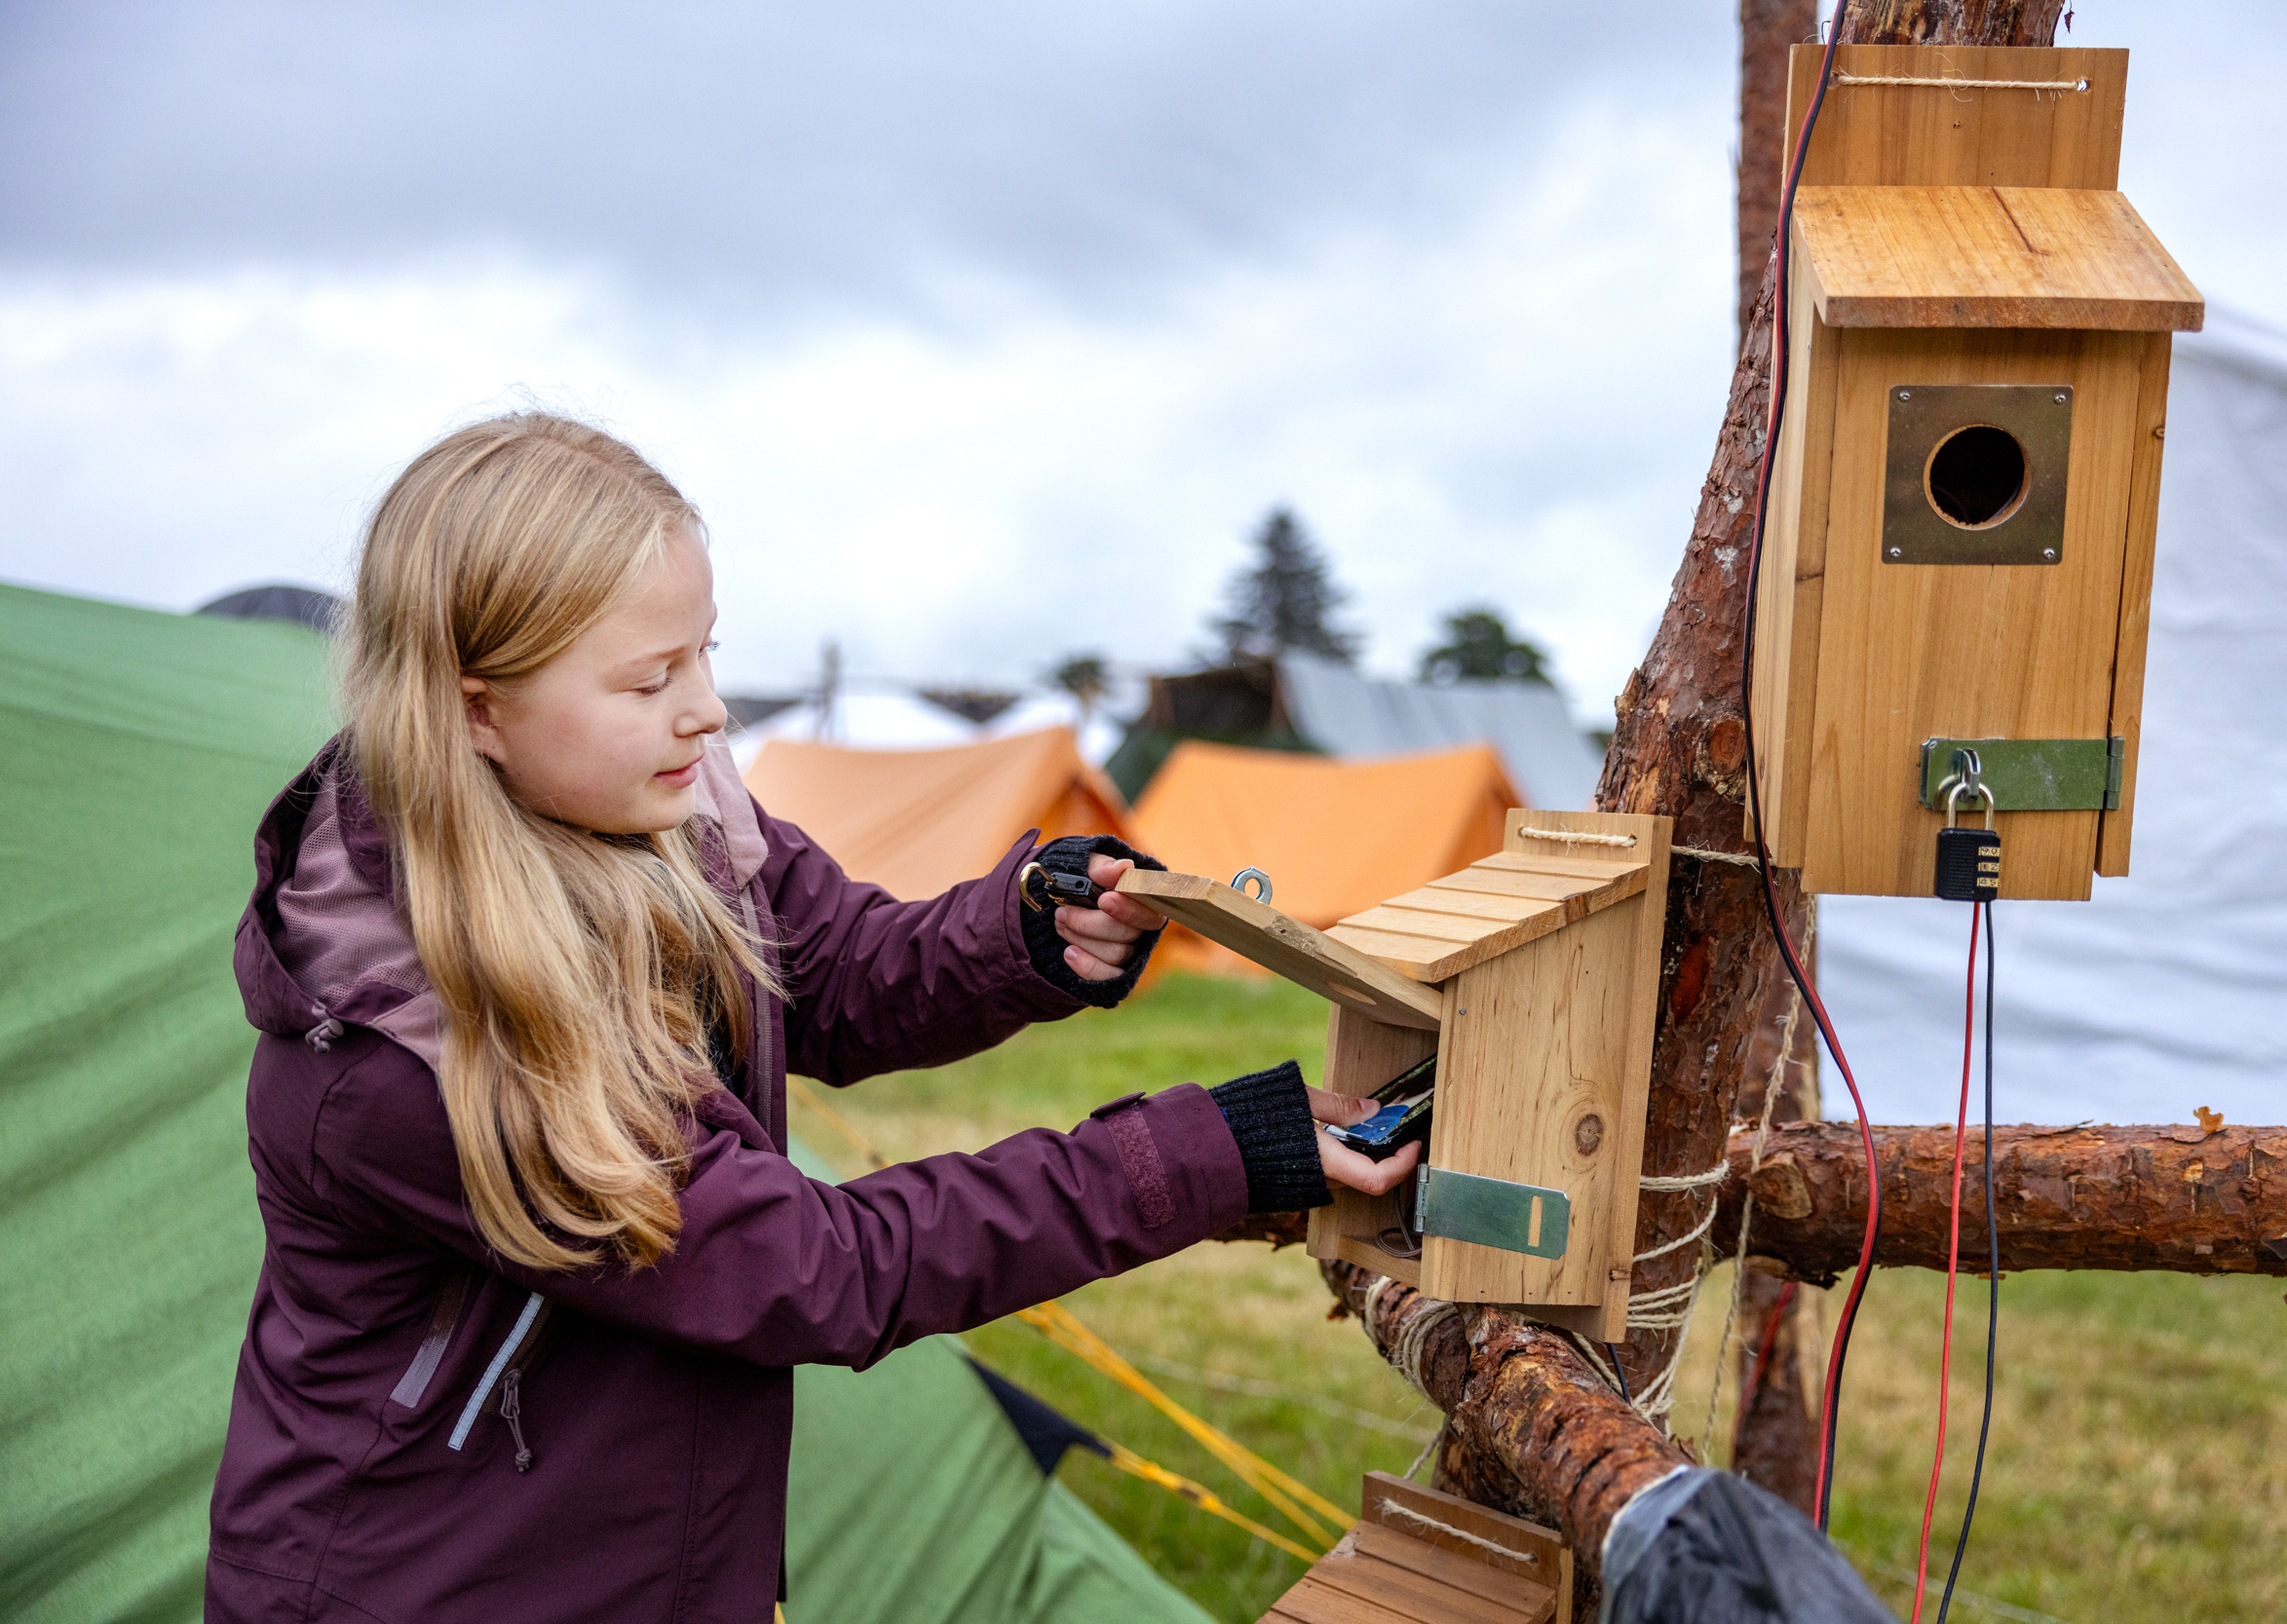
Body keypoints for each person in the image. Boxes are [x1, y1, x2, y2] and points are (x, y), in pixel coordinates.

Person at [207, 413, 1419, 1623]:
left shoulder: (663, 809)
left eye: (705, 653)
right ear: (478, 712)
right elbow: (815, 1268)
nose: (709, 711)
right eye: (650, 678)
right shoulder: (411, 1048)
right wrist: (1196, 1152)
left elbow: (832, 969)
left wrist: (1026, 931)